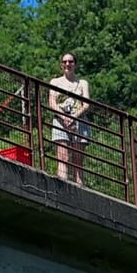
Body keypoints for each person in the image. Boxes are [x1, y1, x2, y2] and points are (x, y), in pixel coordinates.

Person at [49, 52, 91, 184]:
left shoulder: (82, 83)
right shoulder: (55, 82)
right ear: (61, 65)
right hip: (60, 121)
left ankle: (79, 188)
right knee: (63, 157)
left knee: (78, 160)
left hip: (79, 121)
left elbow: (86, 104)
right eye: (65, 61)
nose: (68, 64)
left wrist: (73, 117)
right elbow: (52, 102)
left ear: (75, 64)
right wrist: (64, 117)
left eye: (71, 61)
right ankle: (62, 186)